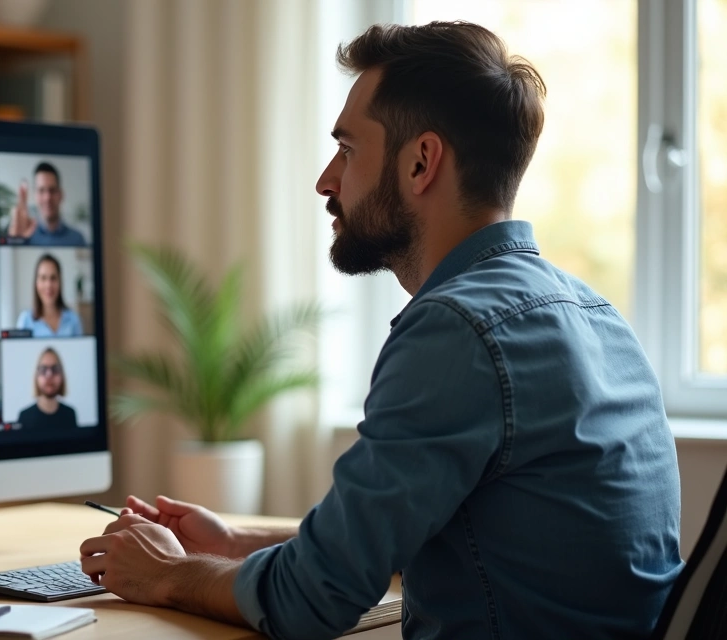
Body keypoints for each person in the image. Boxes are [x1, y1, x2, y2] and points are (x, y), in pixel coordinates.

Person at [77, 22, 682, 640]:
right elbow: (425, 526)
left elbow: (310, 601)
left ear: (421, 162)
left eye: (347, 148)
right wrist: (238, 541)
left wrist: (170, 574)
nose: (326, 180)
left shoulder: (457, 330)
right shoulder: (595, 314)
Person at [6, 162, 86, 246]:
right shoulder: (25, 237)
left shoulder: (77, 238)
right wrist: (15, 239)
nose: (47, 197)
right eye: (41, 190)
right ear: (35, 196)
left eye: (52, 190)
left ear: (61, 195)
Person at [16, 254, 83, 337]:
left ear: (60, 282)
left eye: (53, 278)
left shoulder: (73, 320)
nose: (48, 285)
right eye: (43, 278)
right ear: (36, 283)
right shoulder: (25, 320)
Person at [16, 348, 77, 430]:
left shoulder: (70, 414)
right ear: (36, 377)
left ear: (61, 375)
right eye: (43, 369)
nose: (49, 375)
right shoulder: (24, 416)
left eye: (55, 369)